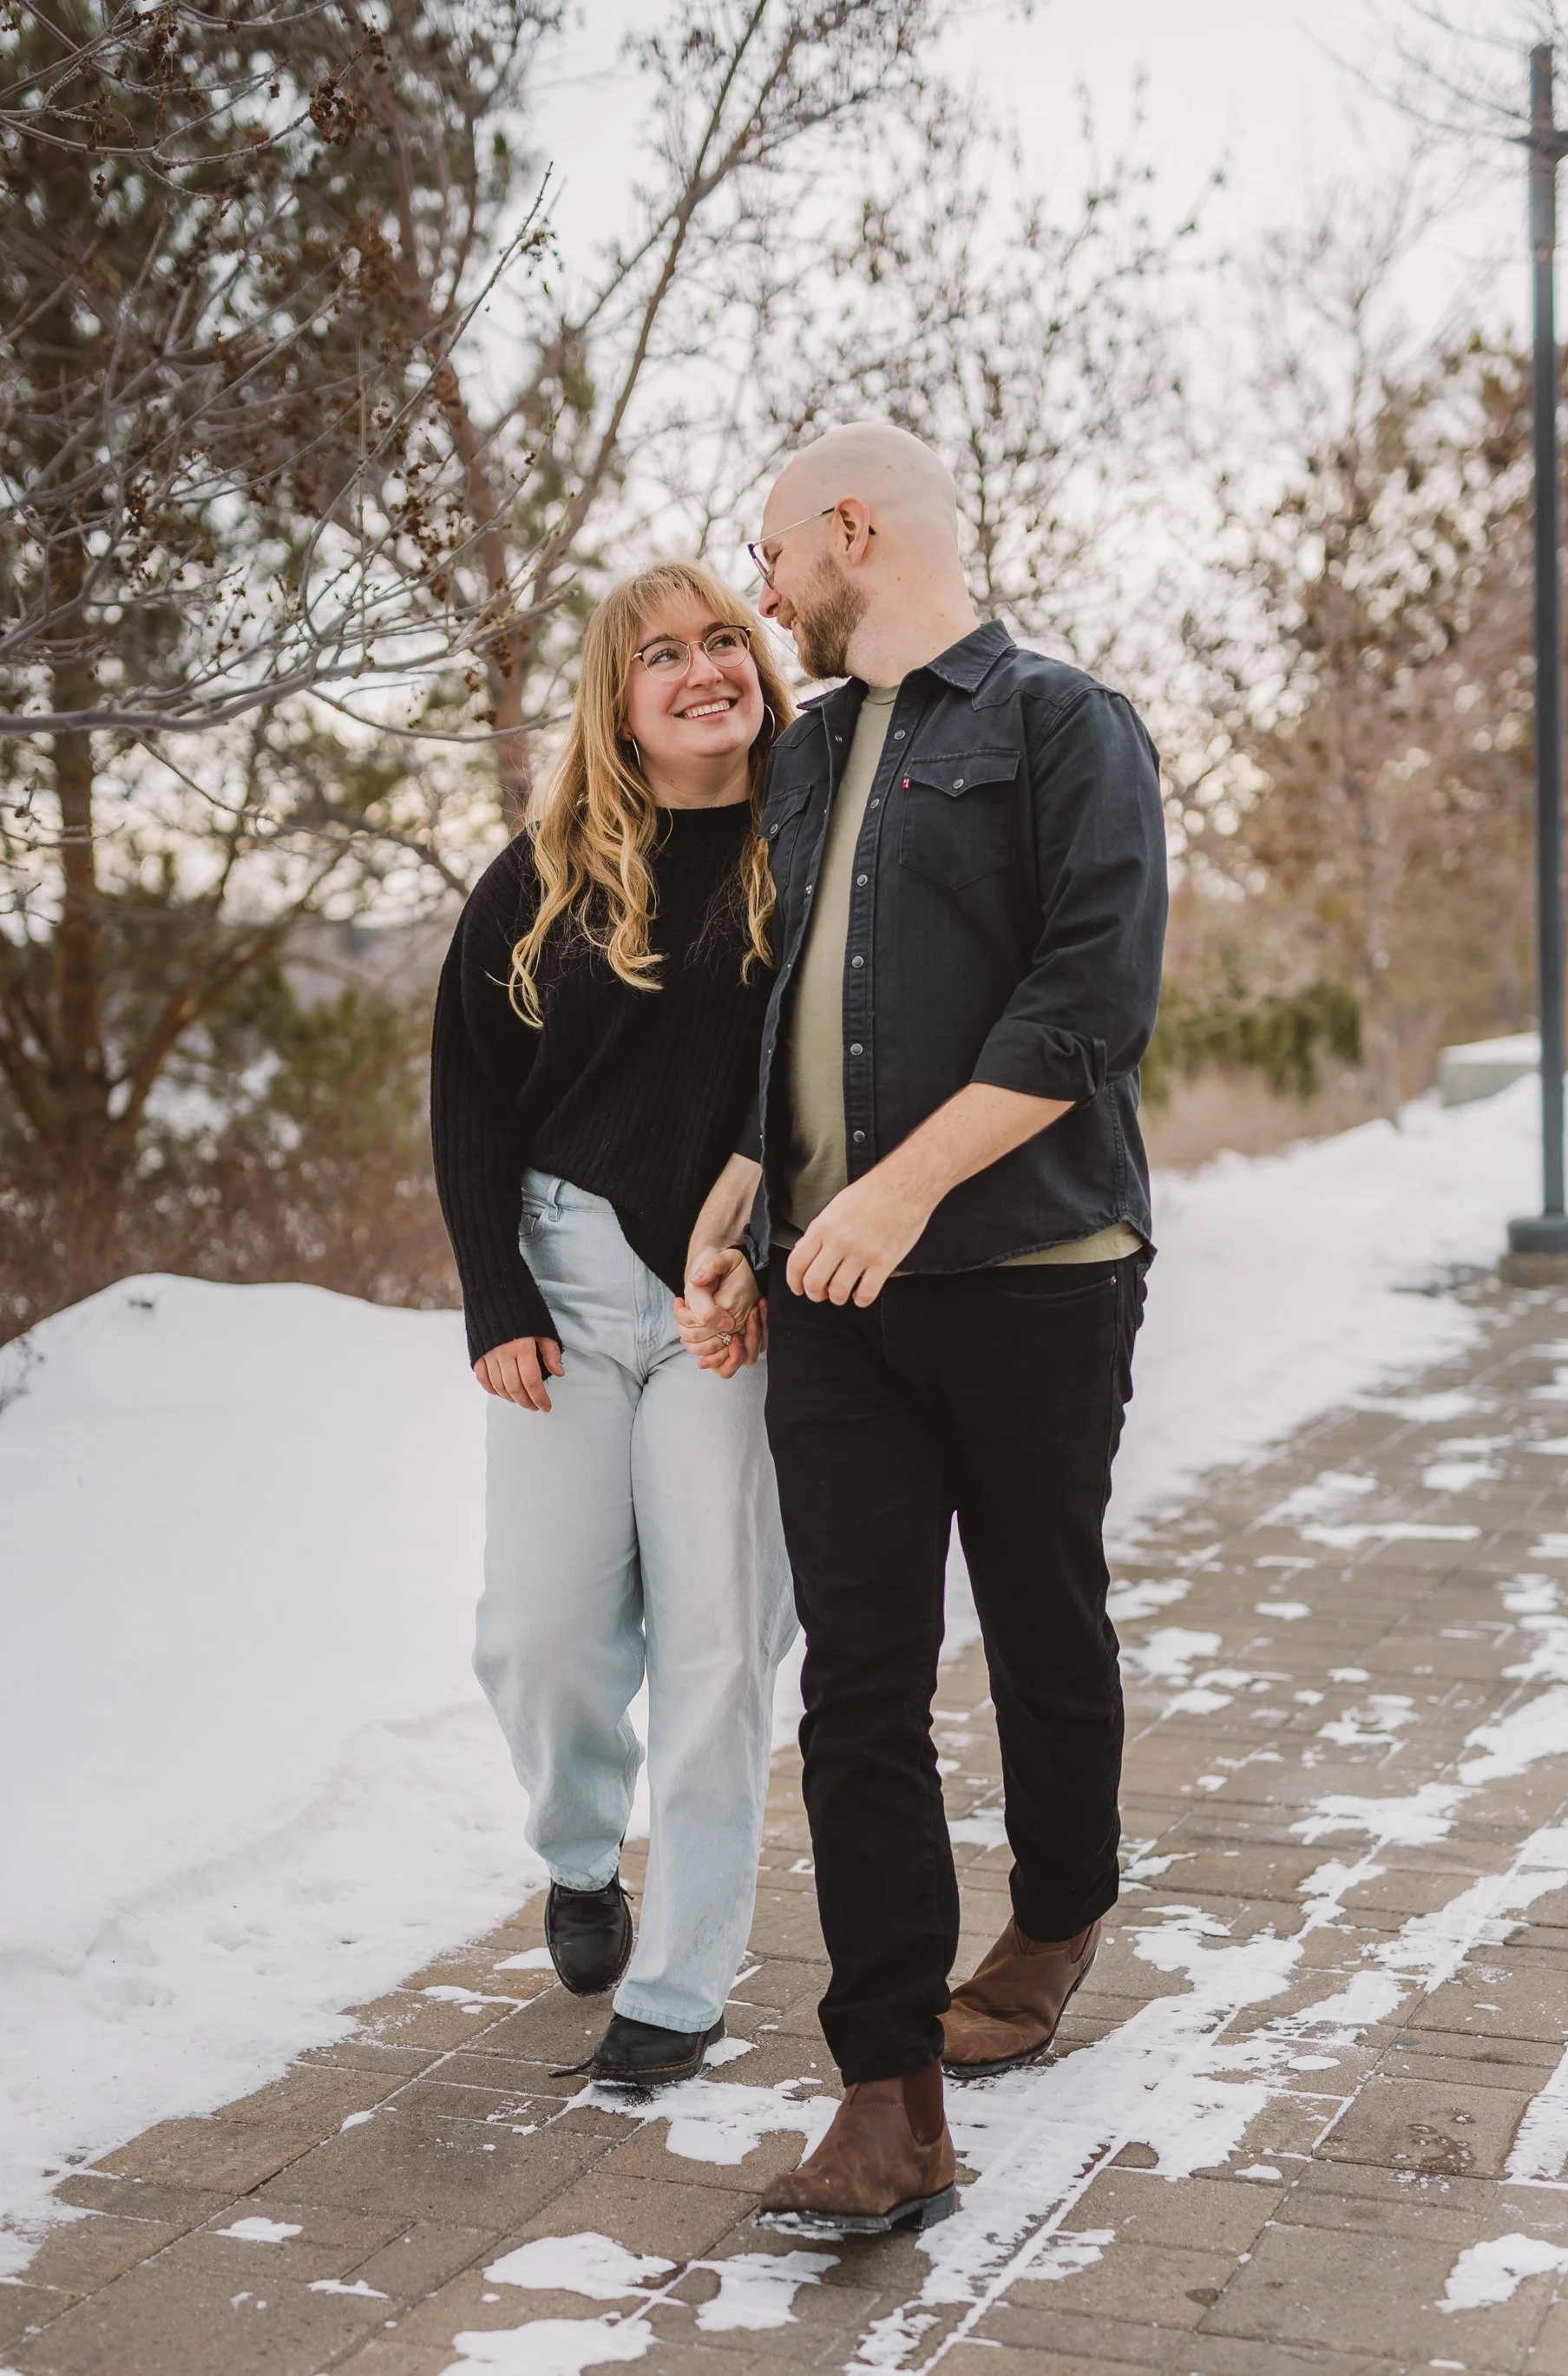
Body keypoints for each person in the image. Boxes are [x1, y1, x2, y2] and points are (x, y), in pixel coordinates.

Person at [684, 423, 1167, 2233]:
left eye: (771, 553)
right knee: (859, 1677)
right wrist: (754, 1192)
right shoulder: (808, 754)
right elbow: (802, 997)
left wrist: (902, 1189)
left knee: (1042, 1614)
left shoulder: (1065, 725)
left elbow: (1088, 999)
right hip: (834, 1291)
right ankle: (885, 2097)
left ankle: (1058, 1907)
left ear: (852, 529)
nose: (765, 593)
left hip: (1036, 1268)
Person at [430, 561, 797, 2086]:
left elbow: (837, 1073)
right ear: (619, 698)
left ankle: (683, 1977)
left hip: (736, 1300)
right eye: (665, 655)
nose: (707, 670)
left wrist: (758, 1245)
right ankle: (581, 1853)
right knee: (543, 1633)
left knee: (720, 1642)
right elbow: (467, 1092)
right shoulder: (542, 876)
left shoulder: (814, 847)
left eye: (727, 640)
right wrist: (495, 1293)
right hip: (565, 1279)